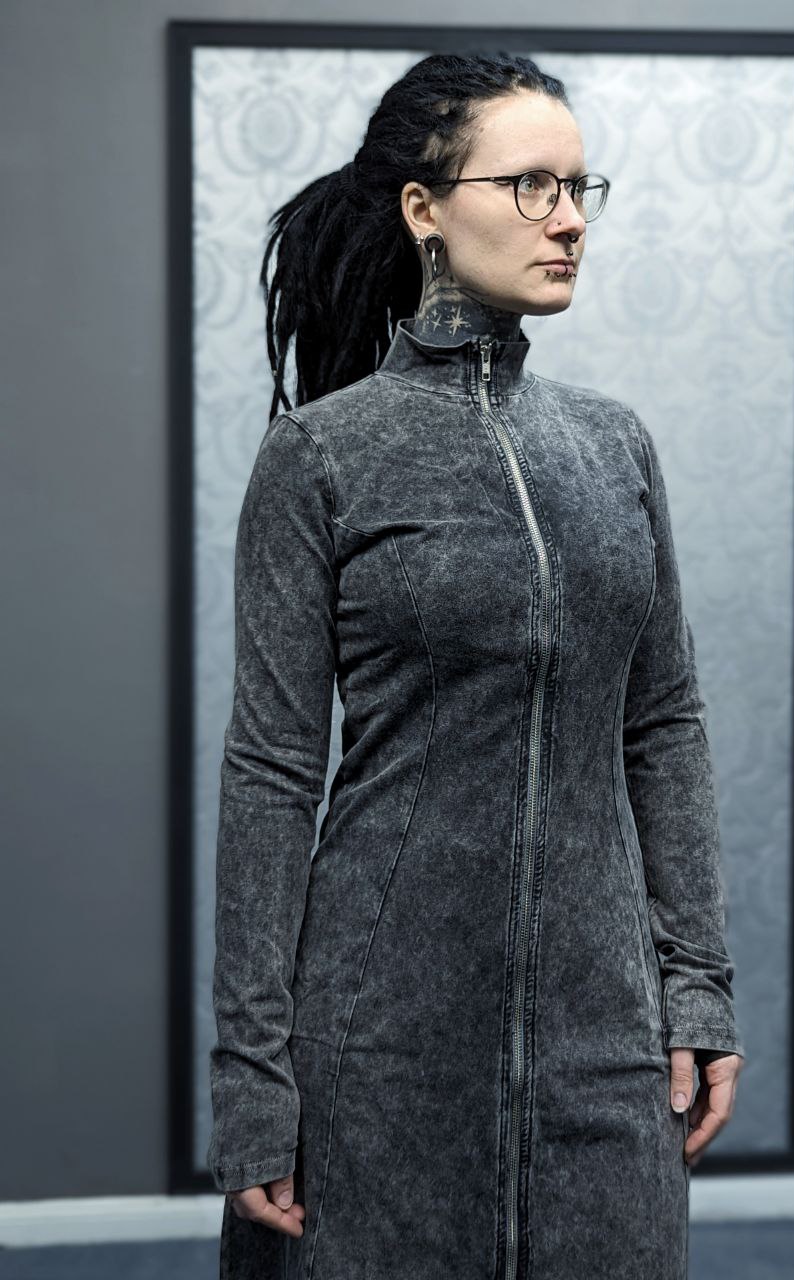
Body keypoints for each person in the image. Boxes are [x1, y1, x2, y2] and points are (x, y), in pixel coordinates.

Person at [207, 49, 744, 1280]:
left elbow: (662, 724)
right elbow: (271, 776)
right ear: (425, 209)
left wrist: (697, 986)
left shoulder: (614, 447)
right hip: (377, 1045)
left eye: (577, 187)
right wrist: (251, 1075)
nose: (568, 219)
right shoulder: (322, 457)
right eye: (528, 185)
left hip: (603, 1042)